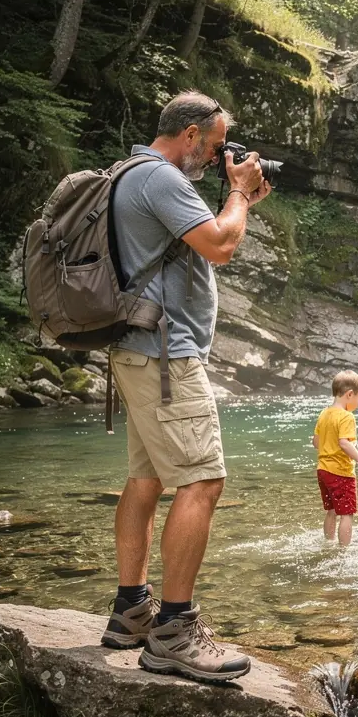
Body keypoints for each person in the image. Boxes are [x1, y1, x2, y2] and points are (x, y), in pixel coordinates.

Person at [101, 90, 271, 684]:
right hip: (166, 357)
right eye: (218, 143)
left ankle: (131, 611)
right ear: (192, 133)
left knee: (146, 479)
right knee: (203, 479)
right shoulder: (162, 180)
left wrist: (239, 197)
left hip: (140, 351)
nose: (222, 153)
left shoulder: (129, 173)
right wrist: (240, 194)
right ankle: (174, 631)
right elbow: (220, 246)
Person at [312, 370, 358, 546]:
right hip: (341, 472)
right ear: (350, 394)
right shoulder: (347, 416)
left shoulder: (324, 413)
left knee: (332, 510)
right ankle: (343, 551)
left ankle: (328, 543)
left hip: (323, 470)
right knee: (347, 513)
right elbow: (344, 443)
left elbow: (316, 442)